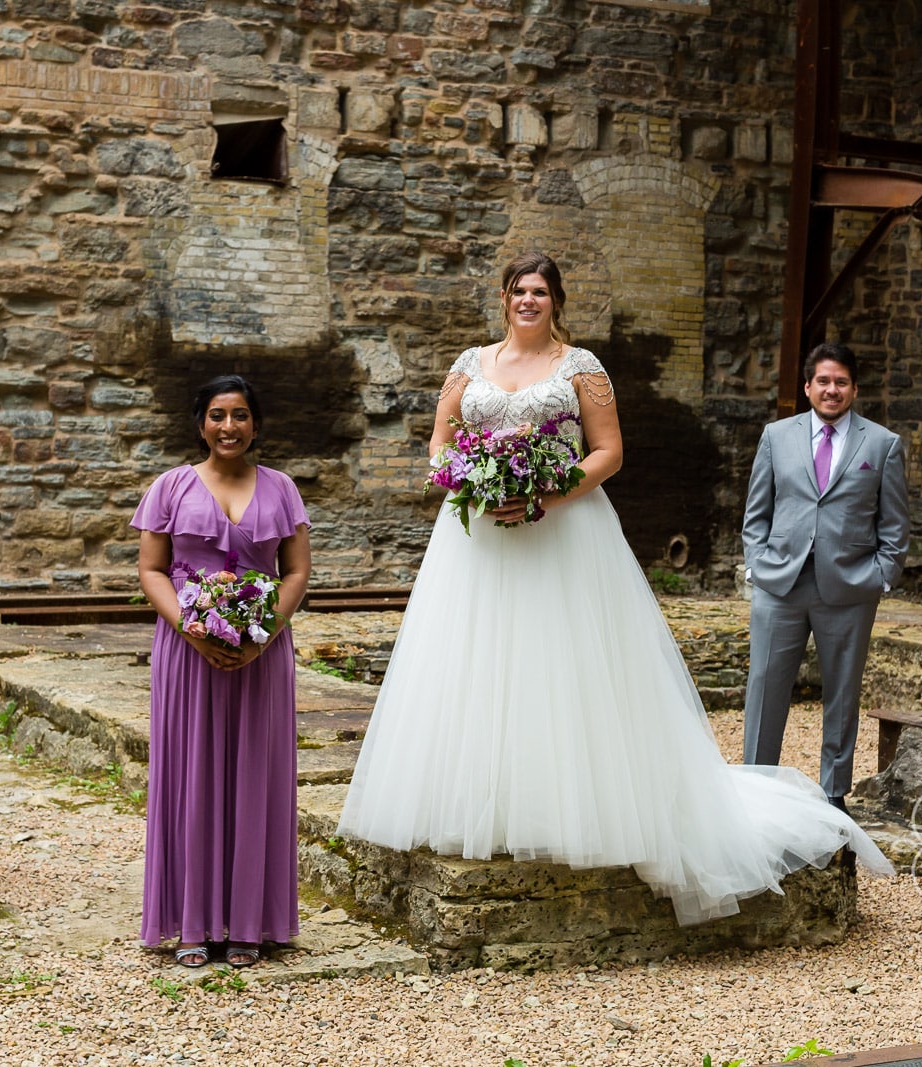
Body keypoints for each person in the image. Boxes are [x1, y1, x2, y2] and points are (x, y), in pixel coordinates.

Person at [337, 253, 891, 926]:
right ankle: (485, 799)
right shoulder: (468, 363)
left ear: (557, 301)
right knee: (475, 663)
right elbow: (440, 438)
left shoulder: (582, 368)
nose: (528, 300)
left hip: (564, 530)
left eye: (540, 291)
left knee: (563, 661)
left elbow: (608, 451)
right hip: (477, 536)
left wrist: (543, 492)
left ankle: (579, 807)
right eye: (519, 290)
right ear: (504, 298)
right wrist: (471, 484)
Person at [132, 375, 312, 968]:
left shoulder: (282, 489)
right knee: (192, 776)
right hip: (189, 652)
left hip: (262, 653)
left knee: (256, 778)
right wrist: (190, 626)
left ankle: (250, 922)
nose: (228, 427)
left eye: (239, 415)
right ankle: (191, 921)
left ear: (255, 423)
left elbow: (295, 574)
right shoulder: (170, 486)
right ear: (200, 423)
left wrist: (264, 638)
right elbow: (153, 569)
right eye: (216, 415)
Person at [740, 341, 910, 810]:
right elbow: (758, 510)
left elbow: (894, 523)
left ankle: (834, 794)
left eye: (840, 382)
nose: (831, 390)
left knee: (842, 692)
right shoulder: (777, 436)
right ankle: (757, 784)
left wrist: (881, 576)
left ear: (854, 388)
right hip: (780, 583)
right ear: (808, 386)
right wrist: (756, 562)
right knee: (765, 685)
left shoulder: (882, 444)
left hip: (850, 588)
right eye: (823, 381)